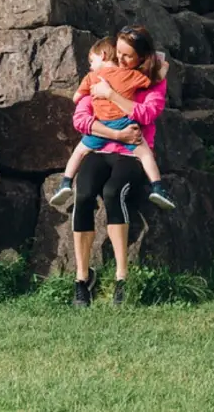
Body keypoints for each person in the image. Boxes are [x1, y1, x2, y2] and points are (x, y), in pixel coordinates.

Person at [67, 25, 169, 307]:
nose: (120, 61)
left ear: (141, 57)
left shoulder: (151, 80)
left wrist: (112, 96)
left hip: (131, 153)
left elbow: (148, 113)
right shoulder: (102, 75)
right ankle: (81, 278)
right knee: (84, 194)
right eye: (118, 54)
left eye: (127, 56)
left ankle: (121, 277)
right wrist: (114, 133)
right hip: (100, 147)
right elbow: (81, 118)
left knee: (114, 192)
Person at [49, 37, 175, 211]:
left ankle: (65, 183)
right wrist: (163, 69)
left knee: (78, 153)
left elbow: (76, 98)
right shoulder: (129, 75)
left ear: (103, 55)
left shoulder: (92, 77)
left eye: (92, 61)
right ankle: (158, 188)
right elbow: (152, 81)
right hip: (125, 123)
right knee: (145, 154)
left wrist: (91, 95)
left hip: (100, 127)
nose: (91, 66)